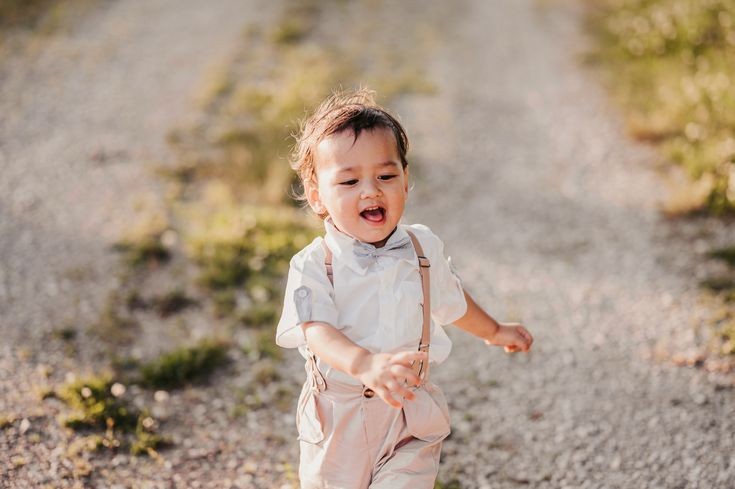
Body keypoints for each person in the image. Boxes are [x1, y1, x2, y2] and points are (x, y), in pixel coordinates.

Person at [276, 88, 533, 488]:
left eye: (386, 175)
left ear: (406, 180)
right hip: (339, 418)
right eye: (349, 180)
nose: (370, 190)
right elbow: (316, 330)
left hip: (408, 412)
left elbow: (451, 299)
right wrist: (364, 364)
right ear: (317, 197)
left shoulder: (421, 248)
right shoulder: (313, 265)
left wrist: (495, 331)